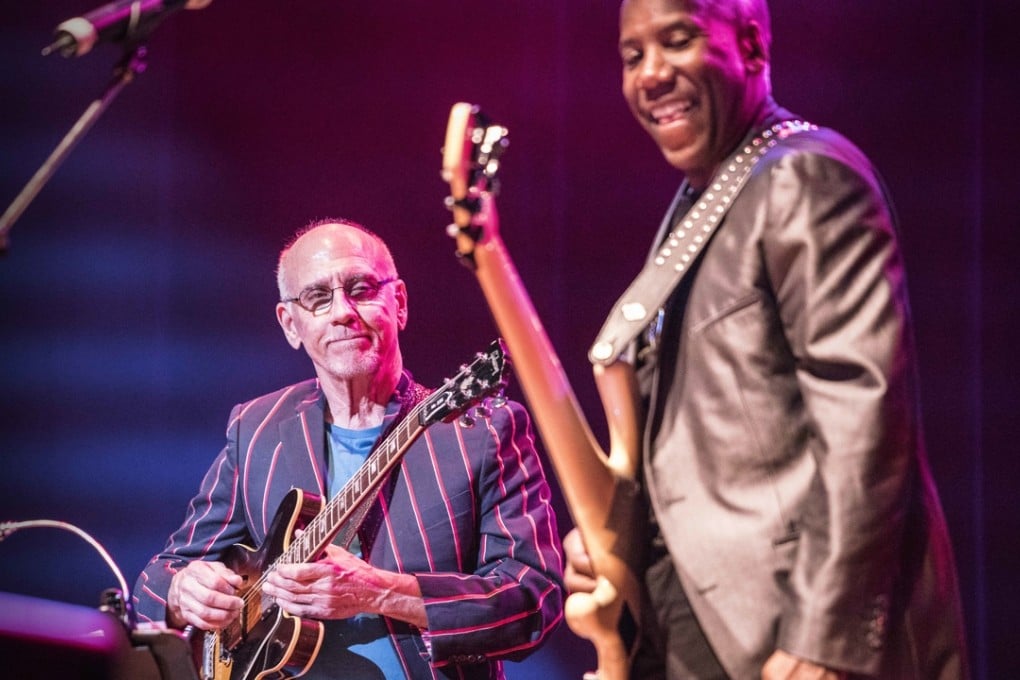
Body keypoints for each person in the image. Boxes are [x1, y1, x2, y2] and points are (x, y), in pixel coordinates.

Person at [562, 0, 970, 678]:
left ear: (751, 46)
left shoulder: (803, 175)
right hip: (701, 634)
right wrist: (616, 544)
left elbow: (863, 421)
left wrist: (823, 634)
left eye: (678, 40)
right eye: (633, 57)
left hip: (791, 637)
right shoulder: (700, 205)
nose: (651, 74)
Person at [133, 219, 564, 679]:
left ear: (398, 303)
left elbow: (534, 598)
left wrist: (380, 593)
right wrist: (183, 592)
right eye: (318, 297)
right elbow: (159, 577)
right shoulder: (256, 428)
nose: (342, 311)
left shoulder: (483, 431)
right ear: (290, 324)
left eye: (360, 288)